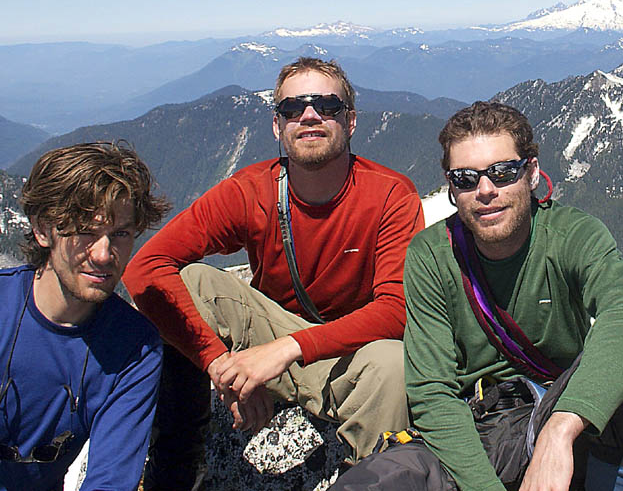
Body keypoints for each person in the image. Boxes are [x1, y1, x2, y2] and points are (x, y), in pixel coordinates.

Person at [333, 101, 623, 491]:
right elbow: (434, 392)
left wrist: (558, 431)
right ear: (450, 187)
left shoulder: (572, 236)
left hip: (560, 407)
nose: (486, 190)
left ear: (531, 172)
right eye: (466, 178)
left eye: (503, 172)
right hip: (473, 428)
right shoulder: (431, 256)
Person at [122, 57, 425, 485]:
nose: (309, 115)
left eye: (327, 105)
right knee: (192, 283)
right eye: (292, 108)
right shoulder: (250, 191)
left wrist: (285, 350)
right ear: (277, 125)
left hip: (352, 355)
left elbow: (396, 310)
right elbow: (145, 269)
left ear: (351, 121)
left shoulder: (390, 194)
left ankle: (369, 475)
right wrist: (221, 367)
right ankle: (179, 462)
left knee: (394, 364)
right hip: (267, 349)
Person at [0, 142, 171, 491]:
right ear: (43, 231)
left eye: (120, 234)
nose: (104, 254)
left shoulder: (135, 348)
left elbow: (111, 480)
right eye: (85, 231)